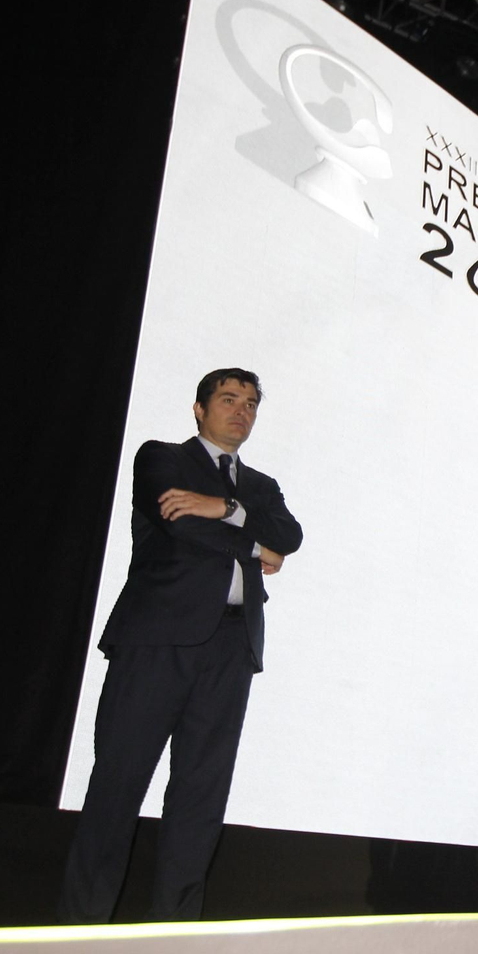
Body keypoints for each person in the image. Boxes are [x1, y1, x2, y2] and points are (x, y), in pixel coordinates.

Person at [59, 368, 303, 922]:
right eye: (227, 398)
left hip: (231, 650)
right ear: (199, 409)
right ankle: (80, 929)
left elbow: (289, 537)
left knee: (201, 798)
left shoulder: (260, 487)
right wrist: (251, 541)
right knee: (118, 786)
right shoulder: (162, 457)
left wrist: (228, 508)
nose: (241, 410)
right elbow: (178, 524)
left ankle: (177, 930)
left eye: (250, 402)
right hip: (156, 643)